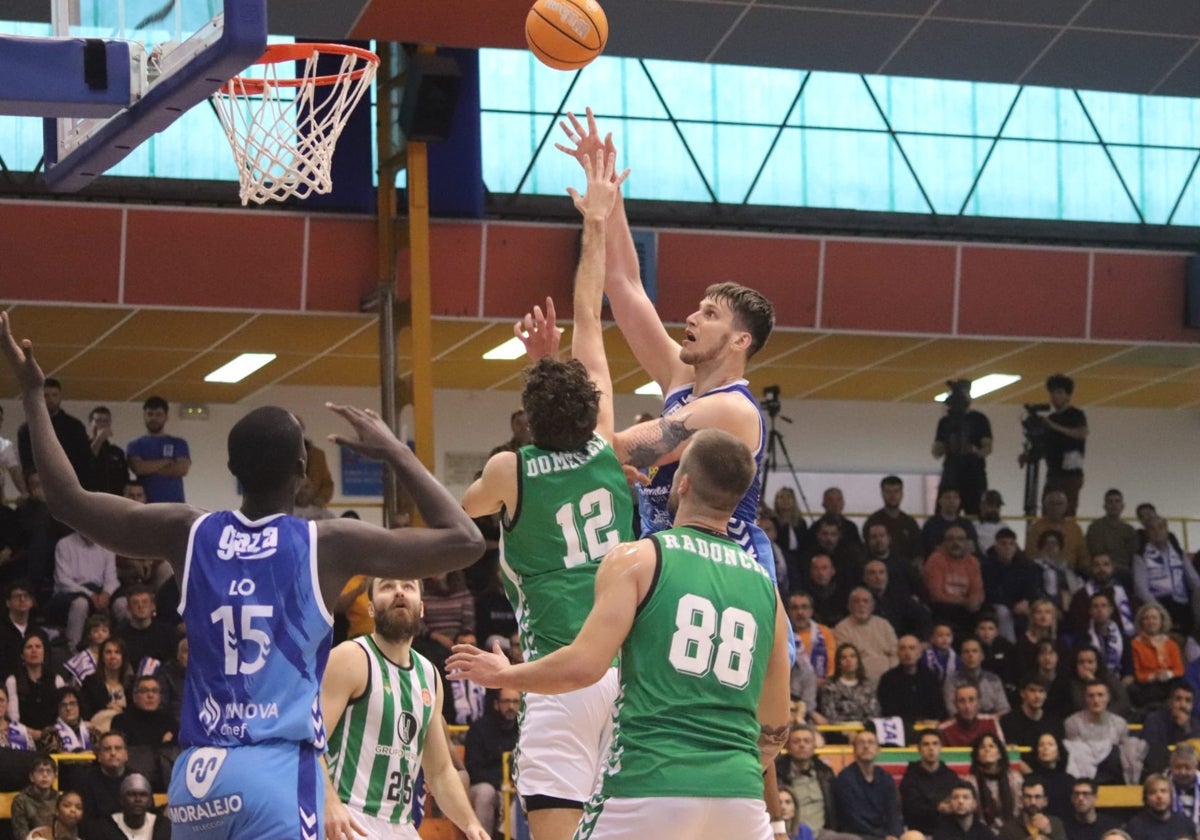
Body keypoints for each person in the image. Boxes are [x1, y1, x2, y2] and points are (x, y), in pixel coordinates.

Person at [0, 308, 486, 840]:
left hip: (198, 776)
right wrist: (396, 452)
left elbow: (67, 501)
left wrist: (31, 395)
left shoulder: (187, 533)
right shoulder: (324, 543)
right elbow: (465, 540)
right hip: (273, 770)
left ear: (231, 471)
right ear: (303, 470)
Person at [448, 428, 792, 840]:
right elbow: (775, 724)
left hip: (650, 783)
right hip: (739, 798)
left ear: (682, 483)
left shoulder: (639, 558)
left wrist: (504, 675)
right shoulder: (766, 588)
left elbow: (582, 668)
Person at [460, 146, 636, 840]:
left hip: (556, 676)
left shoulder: (512, 470)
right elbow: (589, 314)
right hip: (623, 675)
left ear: (527, 420)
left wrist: (536, 366)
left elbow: (463, 509)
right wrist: (597, 217)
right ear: (589, 408)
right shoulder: (607, 443)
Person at [557, 110, 778, 578]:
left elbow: (613, 448)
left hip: (727, 580)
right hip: (673, 568)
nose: (693, 316)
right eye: (699, 307)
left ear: (741, 340)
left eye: (711, 314)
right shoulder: (682, 377)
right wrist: (608, 194)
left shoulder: (731, 410)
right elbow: (623, 284)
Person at [321, 576, 487, 840]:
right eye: (387, 586)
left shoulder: (429, 676)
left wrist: (471, 824)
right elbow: (309, 740)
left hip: (401, 824)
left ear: (421, 607)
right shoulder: (350, 657)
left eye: (408, 587)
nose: (399, 592)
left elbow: (440, 771)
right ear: (371, 607)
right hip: (348, 818)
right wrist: (328, 803)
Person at [17, 377, 93, 490]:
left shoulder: (75, 427)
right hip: (41, 487)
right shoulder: (27, 429)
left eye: (54, 395)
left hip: (73, 486)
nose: (50, 399)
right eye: (46, 395)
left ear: (60, 396)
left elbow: (85, 460)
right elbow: (27, 463)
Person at [463, 689, 520, 837]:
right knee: (485, 793)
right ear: (496, 704)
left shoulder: (524, 729)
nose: (511, 707)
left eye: (515, 702)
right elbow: (473, 770)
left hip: (514, 785)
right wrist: (500, 784)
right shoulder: (479, 729)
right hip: (482, 784)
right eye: (506, 701)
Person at [932, 379, 992, 517]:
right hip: (951, 473)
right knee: (945, 514)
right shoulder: (946, 422)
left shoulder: (979, 419)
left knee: (976, 514)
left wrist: (975, 451)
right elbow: (936, 452)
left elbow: (987, 447)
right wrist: (948, 444)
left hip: (974, 473)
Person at [833, 729, 902, 840]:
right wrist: (882, 837)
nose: (866, 746)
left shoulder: (886, 778)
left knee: (914, 836)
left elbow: (893, 813)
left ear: (878, 750)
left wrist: (893, 834)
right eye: (861, 743)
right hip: (856, 835)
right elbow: (853, 819)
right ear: (854, 751)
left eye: (871, 742)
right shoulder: (845, 778)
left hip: (884, 834)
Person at [1038, 374, 1088, 517]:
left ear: (1068, 395)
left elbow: (1081, 433)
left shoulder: (1076, 414)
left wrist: (1054, 426)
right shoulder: (1051, 418)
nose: (1054, 396)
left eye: (1059, 392)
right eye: (1052, 393)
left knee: (1067, 512)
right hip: (1053, 473)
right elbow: (1046, 445)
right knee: (1048, 512)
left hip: (1070, 474)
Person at [125, 395, 191, 503]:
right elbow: (139, 468)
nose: (153, 418)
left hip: (175, 506)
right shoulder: (135, 445)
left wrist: (149, 467)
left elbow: (182, 469)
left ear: (166, 416)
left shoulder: (179, 443)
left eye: (158, 415)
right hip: (145, 506)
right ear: (144, 416)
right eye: (150, 414)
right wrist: (166, 462)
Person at [878, 634, 945, 730]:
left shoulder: (930, 677)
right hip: (900, 729)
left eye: (912, 648)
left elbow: (938, 708)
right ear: (897, 653)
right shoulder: (888, 679)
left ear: (920, 653)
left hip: (928, 728)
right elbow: (888, 712)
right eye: (903, 648)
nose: (907, 652)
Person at [901, 730, 961, 836]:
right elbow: (911, 808)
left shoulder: (951, 776)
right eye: (926, 744)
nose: (931, 748)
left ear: (941, 747)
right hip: (918, 831)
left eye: (935, 743)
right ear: (919, 749)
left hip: (948, 830)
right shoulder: (910, 777)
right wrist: (938, 807)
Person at [965, 732, 1023, 832]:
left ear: (999, 754)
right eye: (982, 747)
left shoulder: (1015, 778)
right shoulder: (970, 781)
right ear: (977, 756)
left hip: (1012, 831)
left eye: (991, 746)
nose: (987, 749)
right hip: (980, 832)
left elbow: (1019, 808)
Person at [90, 772, 171, 840]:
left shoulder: (164, 827)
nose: (138, 799)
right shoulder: (104, 829)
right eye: (131, 794)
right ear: (121, 800)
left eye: (143, 795)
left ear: (150, 801)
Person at [816, 643, 880, 727]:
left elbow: (874, 713)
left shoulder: (868, 685)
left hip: (864, 730)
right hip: (837, 731)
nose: (848, 660)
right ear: (838, 663)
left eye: (852, 656)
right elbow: (829, 715)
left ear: (858, 660)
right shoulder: (829, 686)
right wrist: (846, 731)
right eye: (843, 658)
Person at [1143, 685, 1200, 775]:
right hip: (1160, 773)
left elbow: (1195, 754)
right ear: (1170, 702)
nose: (1183, 705)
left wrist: (1186, 728)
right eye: (1178, 699)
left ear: (1192, 705)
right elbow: (1153, 755)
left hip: (1189, 775)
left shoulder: (1196, 725)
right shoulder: (1154, 720)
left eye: (1188, 700)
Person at [1085, 490, 1137, 586]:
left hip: (1122, 573)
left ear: (1122, 506)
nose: (1114, 505)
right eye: (1110, 502)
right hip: (1098, 570)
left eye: (1117, 501)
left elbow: (1133, 557)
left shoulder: (1129, 530)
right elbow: (1090, 551)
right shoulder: (1094, 527)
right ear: (1105, 506)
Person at [1123, 775, 1197, 840]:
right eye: (1152, 792)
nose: (1159, 796)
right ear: (1146, 799)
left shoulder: (1185, 824)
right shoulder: (1136, 826)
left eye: (1163, 791)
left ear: (1171, 796)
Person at [1025, 733, 1074, 821]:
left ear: (1058, 750)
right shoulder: (1029, 780)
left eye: (1050, 744)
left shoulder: (1069, 780)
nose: (1045, 748)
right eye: (1041, 745)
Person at [997, 779, 1066, 840]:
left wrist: (1049, 832)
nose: (1033, 802)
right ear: (1021, 800)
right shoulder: (1009, 829)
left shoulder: (1055, 824)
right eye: (1028, 797)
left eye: (1037, 797)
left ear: (1045, 801)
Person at [10, 752, 58, 839]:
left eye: (49, 771)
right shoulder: (21, 800)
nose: (45, 775)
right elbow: (21, 833)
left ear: (55, 776)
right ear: (32, 777)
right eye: (40, 771)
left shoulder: (60, 799)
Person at [938, 685, 1004, 748]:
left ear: (979, 702)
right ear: (955, 704)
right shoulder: (944, 730)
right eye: (962, 701)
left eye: (971, 700)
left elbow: (1003, 752)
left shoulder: (991, 722)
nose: (967, 706)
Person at [87, 406, 129, 497]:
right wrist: (99, 439)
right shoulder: (81, 446)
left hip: (114, 498)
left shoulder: (116, 452)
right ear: (91, 423)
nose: (102, 424)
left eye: (106, 421)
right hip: (92, 498)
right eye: (98, 421)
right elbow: (88, 460)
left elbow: (125, 479)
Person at [1165, 743, 1200, 834]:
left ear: (1195, 767)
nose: (1182, 772)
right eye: (1178, 767)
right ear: (1171, 767)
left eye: (1187, 768)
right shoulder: (1162, 785)